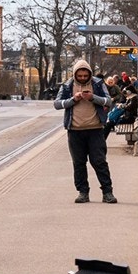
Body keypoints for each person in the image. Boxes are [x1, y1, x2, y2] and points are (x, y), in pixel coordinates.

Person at [53, 59, 116, 204]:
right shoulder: (68, 85)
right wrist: (73, 100)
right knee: (79, 163)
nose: (82, 78)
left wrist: (92, 97)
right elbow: (57, 104)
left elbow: (108, 101)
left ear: (89, 74)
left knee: (99, 161)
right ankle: (83, 192)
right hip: (75, 130)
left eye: (85, 75)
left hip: (95, 129)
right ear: (75, 74)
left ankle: (107, 192)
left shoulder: (98, 84)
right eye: (79, 76)